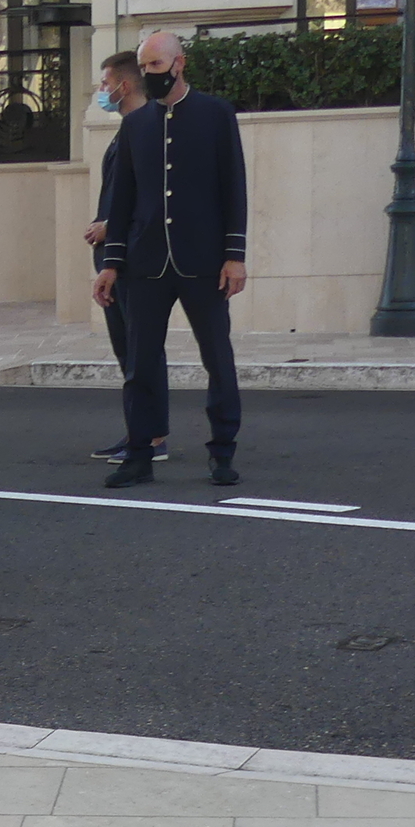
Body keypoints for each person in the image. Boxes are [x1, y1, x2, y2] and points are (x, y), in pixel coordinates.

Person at [91, 32, 248, 489]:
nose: (150, 75)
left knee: (217, 358)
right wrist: (111, 263)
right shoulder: (136, 125)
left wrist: (234, 256)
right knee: (139, 363)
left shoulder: (216, 115)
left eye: (157, 65)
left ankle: (223, 452)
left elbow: (233, 187)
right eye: (144, 68)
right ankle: (139, 454)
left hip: (203, 261)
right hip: (145, 264)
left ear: (180, 63)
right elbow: (121, 201)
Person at [82, 50, 161, 464]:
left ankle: (150, 438)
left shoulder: (146, 129)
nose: (102, 92)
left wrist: (109, 226)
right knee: (128, 350)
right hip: (116, 257)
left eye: (105, 84)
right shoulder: (129, 129)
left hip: (133, 258)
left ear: (124, 86)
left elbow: (150, 197)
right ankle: (141, 432)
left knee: (140, 350)